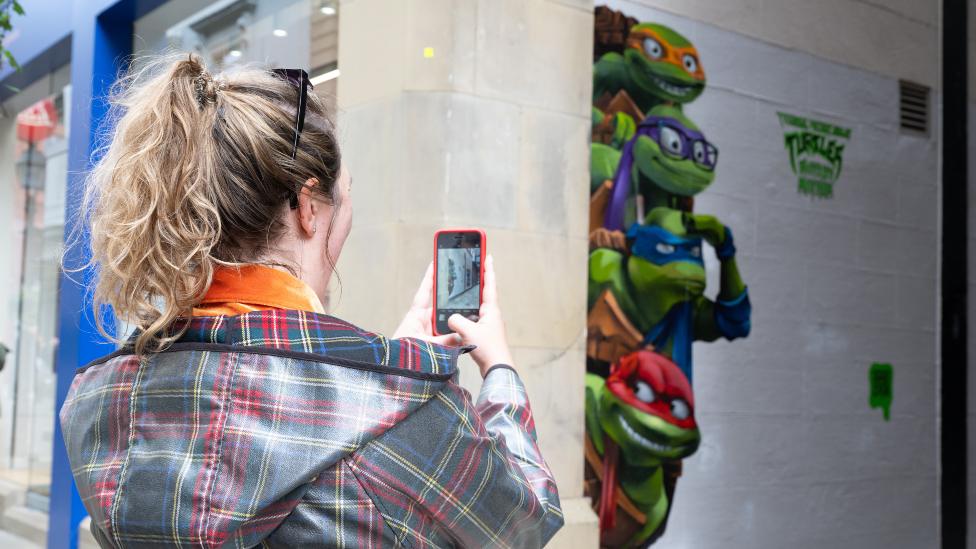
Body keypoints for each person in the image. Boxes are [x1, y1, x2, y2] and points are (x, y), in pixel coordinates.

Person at [59, 53, 563, 548]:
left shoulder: (94, 400)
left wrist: (388, 373)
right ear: (307, 204)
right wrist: (498, 371)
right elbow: (522, 523)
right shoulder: (405, 406)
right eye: (343, 198)